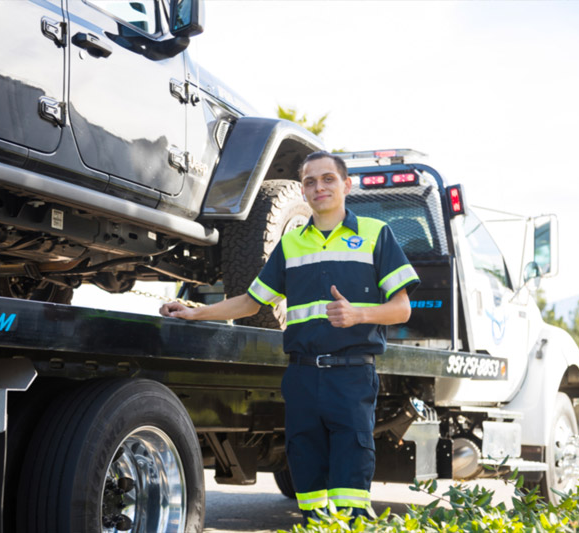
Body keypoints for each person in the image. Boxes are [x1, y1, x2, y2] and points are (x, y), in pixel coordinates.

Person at [160, 151, 420, 520]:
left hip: (351, 375)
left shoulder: (376, 235)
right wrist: (196, 312)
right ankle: (316, 525)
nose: (319, 187)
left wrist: (358, 314)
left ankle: (349, 527)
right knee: (306, 470)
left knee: (351, 473)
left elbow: (402, 308)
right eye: (310, 181)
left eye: (328, 179)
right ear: (303, 192)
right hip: (301, 376)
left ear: (347, 185)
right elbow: (252, 302)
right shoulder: (291, 243)